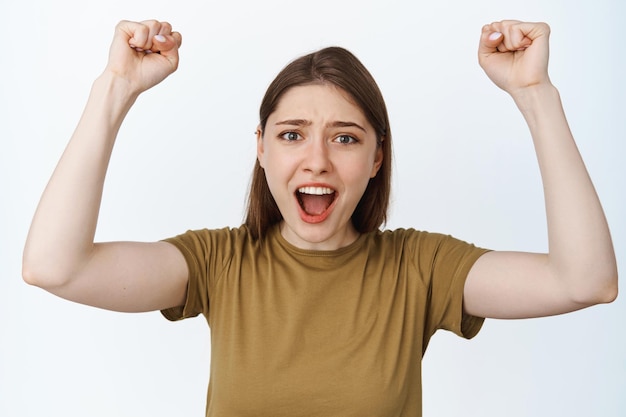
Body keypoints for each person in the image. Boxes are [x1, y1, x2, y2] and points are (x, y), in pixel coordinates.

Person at [22, 18, 618, 416]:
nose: (317, 161)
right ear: (261, 149)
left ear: (377, 156)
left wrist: (536, 95)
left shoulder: (419, 267)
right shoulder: (219, 263)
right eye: (291, 134)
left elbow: (585, 281)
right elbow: (53, 267)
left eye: (346, 138)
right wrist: (115, 87)